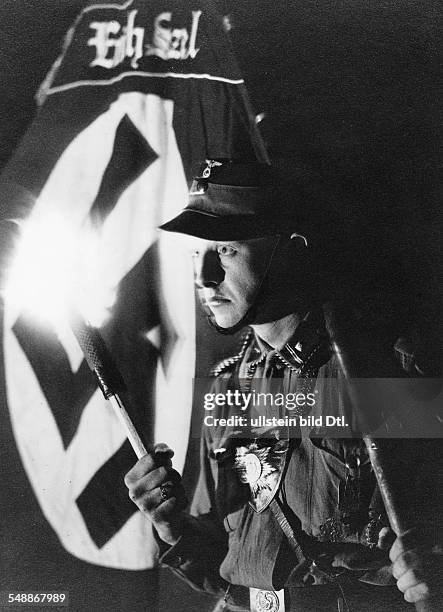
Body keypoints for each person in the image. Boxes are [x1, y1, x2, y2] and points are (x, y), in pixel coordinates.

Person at [125, 160, 442, 611]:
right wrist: (170, 525)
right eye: (197, 253)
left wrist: (433, 559)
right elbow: (222, 560)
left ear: (292, 250)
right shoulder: (228, 387)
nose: (205, 276)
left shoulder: (378, 368)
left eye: (227, 251)